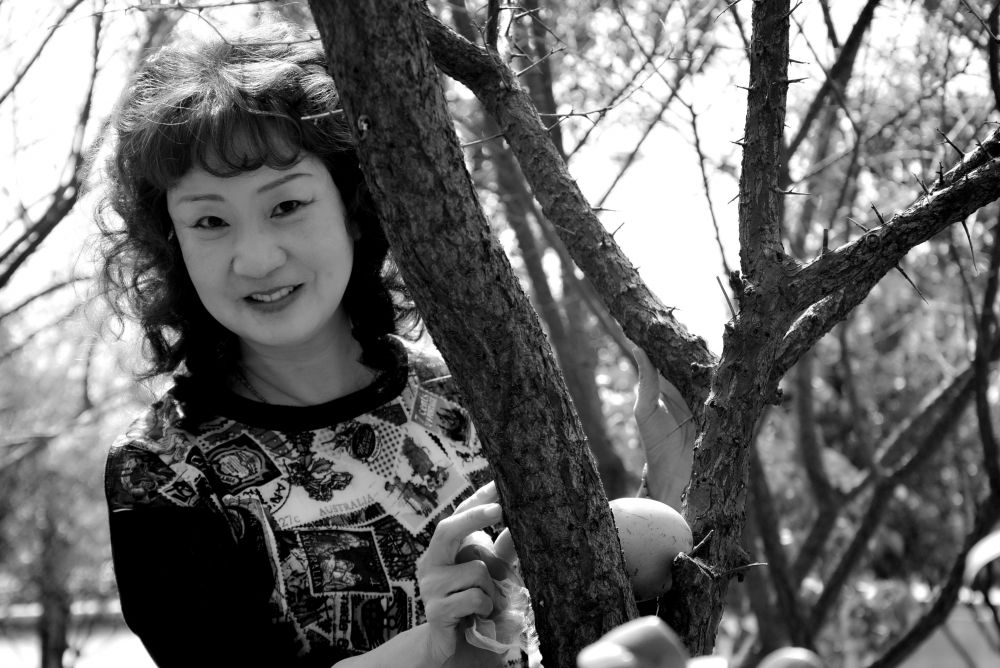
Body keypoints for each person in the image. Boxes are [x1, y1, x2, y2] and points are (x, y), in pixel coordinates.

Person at [97, 18, 693, 668]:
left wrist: (667, 484)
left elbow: (601, 631)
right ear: (173, 241)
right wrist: (429, 649)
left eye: (286, 206)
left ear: (352, 206)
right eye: (210, 220)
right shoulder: (163, 471)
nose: (257, 258)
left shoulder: (470, 392)